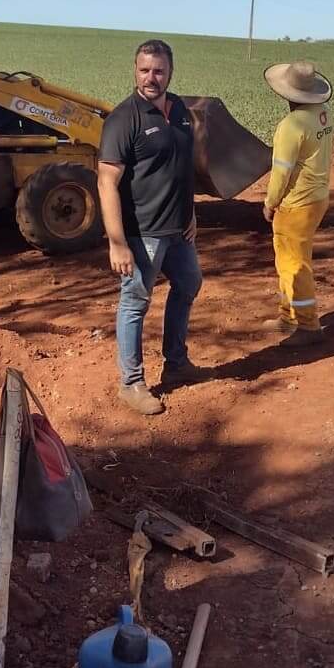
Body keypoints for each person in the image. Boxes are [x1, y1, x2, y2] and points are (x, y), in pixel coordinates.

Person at [97, 39, 202, 416]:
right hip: (143, 233)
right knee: (135, 302)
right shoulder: (124, 119)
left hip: (179, 230)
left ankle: (176, 363)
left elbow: (183, 167)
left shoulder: (181, 111)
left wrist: (191, 213)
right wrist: (117, 242)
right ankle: (131, 383)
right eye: (144, 70)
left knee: (189, 283)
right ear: (135, 70)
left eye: (158, 71)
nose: (151, 78)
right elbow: (106, 181)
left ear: (170, 72)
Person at [261, 59, 334, 346]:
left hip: (297, 203)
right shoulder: (324, 113)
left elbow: (281, 171)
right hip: (318, 198)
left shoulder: (291, 125)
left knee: (294, 263)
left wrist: (270, 202)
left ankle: (307, 325)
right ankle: (289, 315)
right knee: (287, 258)